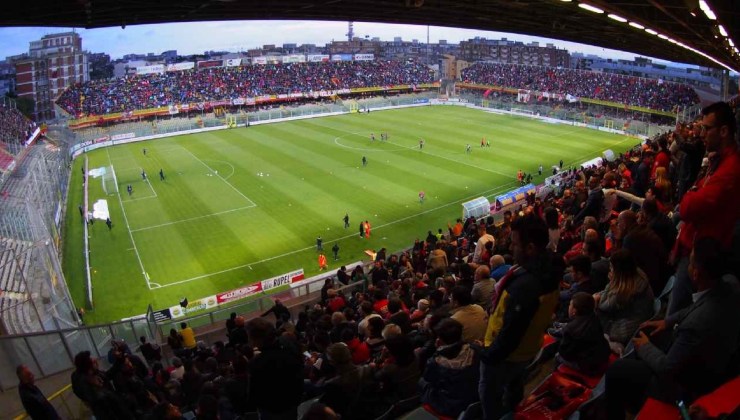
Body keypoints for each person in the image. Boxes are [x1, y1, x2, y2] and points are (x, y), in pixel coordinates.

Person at [605, 237, 740, 419]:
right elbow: (695, 306)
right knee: (647, 335)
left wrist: (645, 346)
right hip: (708, 358)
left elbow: (668, 369)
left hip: (682, 387)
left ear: (696, 273)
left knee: (616, 370)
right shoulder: (730, 283)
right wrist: (667, 321)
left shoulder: (696, 324)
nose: (687, 266)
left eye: (690, 262)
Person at [480, 214, 561, 420]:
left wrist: (487, 354)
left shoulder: (526, 286)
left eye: (515, 244)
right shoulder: (548, 269)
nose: (510, 248)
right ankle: (513, 409)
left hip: (507, 355)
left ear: (531, 248)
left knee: (489, 393)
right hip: (528, 348)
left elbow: (511, 333)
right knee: (515, 383)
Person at [668, 101, 740, 315]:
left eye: (706, 128)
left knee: (678, 313)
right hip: (692, 249)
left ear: (724, 131)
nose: (701, 134)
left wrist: (692, 194)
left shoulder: (730, 170)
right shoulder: (720, 162)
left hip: (698, 256)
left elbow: (689, 206)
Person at [419, 318, 481, 418]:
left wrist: (437, 351)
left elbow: (429, 379)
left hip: (452, 406)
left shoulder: (435, 362)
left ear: (439, 340)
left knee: (422, 382)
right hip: (475, 396)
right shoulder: (476, 349)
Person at [247, 318, 304, 419]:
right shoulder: (288, 344)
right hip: (293, 403)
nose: (249, 341)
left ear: (257, 340)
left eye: (250, 337)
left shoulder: (257, 363)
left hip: (273, 411)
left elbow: (254, 396)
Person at [556, 292, 611, 376]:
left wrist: (561, 342)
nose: (569, 307)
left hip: (591, 367)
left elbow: (566, 354)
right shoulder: (595, 317)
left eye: (570, 305)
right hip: (602, 358)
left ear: (574, 310)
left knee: (557, 356)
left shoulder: (571, 329)